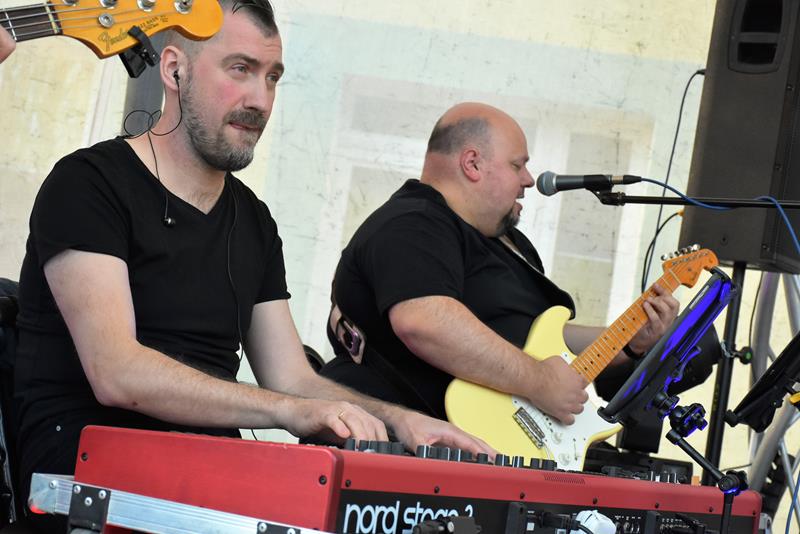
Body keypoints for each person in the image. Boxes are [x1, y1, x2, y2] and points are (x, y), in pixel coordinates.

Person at [12, 3, 491, 528]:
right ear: (174, 70)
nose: (260, 99)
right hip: (85, 477)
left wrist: (401, 422)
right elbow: (118, 374)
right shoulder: (89, 184)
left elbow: (290, 377)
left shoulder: (254, 221)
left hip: (210, 477)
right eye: (240, 69)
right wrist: (286, 410)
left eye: (272, 77)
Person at [324, 102, 679, 424]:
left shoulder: (509, 243)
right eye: (517, 165)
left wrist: (630, 340)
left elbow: (544, 337)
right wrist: (539, 381)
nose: (529, 180)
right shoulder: (413, 223)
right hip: (400, 446)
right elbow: (424, 322)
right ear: (472, 164)